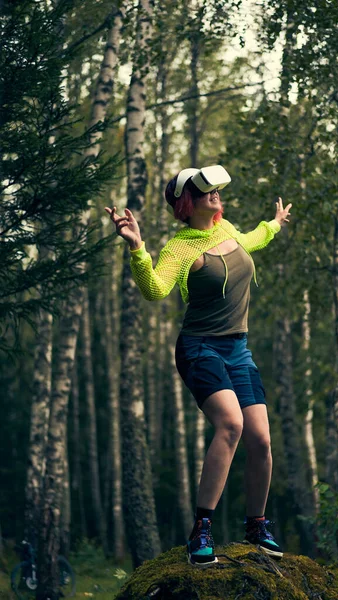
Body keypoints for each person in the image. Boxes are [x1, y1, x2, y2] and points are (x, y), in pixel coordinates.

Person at [105, 165, 292, 568]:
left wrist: (274, 225)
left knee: (260, 439)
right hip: (199, 348)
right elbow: (154, 289)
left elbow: (251, 241)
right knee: (232, 425)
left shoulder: (228, 230)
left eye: (215, 191)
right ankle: (201, 531)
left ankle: (256, 526)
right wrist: (138, 248)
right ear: (187, 203)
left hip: (237, 349)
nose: (215, 195)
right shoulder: (178, 248)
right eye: (204, 191)